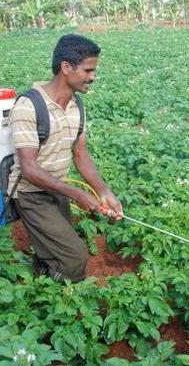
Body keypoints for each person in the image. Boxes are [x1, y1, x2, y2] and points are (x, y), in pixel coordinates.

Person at [8, 34, 123, 283]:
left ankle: (43, 275)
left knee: (54, 248)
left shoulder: (76, 106)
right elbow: (29, 169)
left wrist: (104, 191)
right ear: (66, 67)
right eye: (88, 70)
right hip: (30, 194)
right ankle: (63, 298)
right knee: (74, 257)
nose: (93, 77)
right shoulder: (29, 106)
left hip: (57, 189)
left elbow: (81, 155)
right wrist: (78, 194)